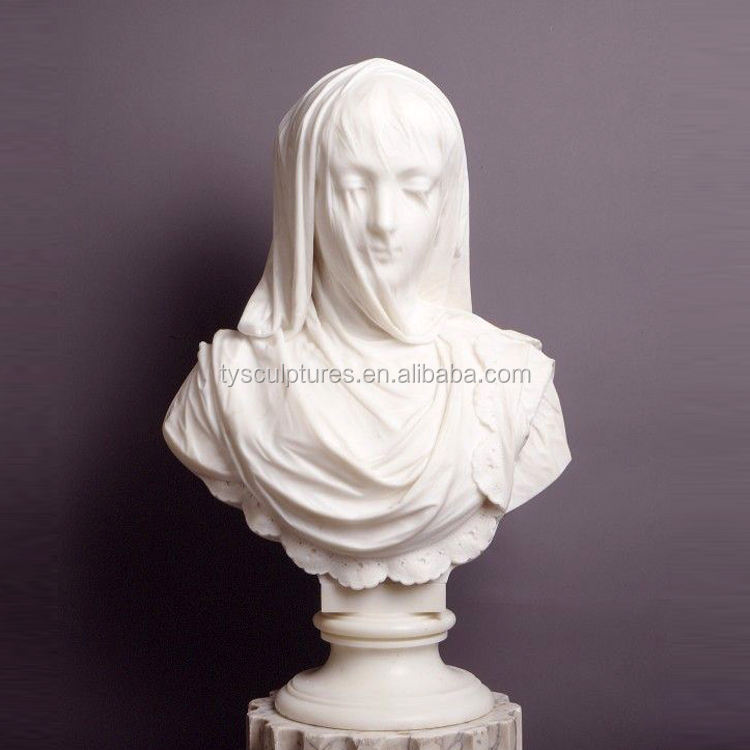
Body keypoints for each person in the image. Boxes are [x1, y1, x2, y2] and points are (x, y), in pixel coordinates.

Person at [163, 58, 571, 589]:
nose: (384, 221)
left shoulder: (509, 382)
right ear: (304, 202)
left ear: (446, 206)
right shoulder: (230, 384)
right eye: (354, 187)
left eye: (415, 190)